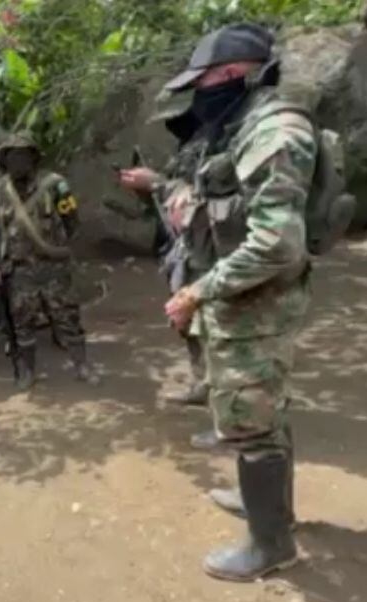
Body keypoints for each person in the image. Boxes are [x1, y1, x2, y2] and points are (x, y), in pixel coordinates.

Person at [158, 23, 315, 582]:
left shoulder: (275, 131)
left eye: (205, 82)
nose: (200, 95)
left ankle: (270, 546)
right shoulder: (245, 127)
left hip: (256, 304)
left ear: (235, 74)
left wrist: (196, 290)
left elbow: (276, 243)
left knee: (253, 423)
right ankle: (272, 511)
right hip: (245, 299)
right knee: (264, 414)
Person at [120, 91, 215, 411]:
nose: (174, 126)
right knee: (188, 325)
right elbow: (172, 206)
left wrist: (156, 182)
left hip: (208, 255)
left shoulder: (213, 148)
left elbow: (198, 203)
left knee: (212, 328)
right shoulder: (188, 148)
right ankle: (203, 385)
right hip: (185, 252)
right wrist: (147, 189)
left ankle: (227, 409)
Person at [0, 132, 99, 389]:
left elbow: (73, 224)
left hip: (53, 268)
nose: (17, 162)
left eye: (22, 156)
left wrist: (60, 251)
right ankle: (28, 372)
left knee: (68, 318)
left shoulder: (55, 185)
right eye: (12, 157)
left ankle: (82, 366)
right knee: (22, 323)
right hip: (19, 271)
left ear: (33, 158)